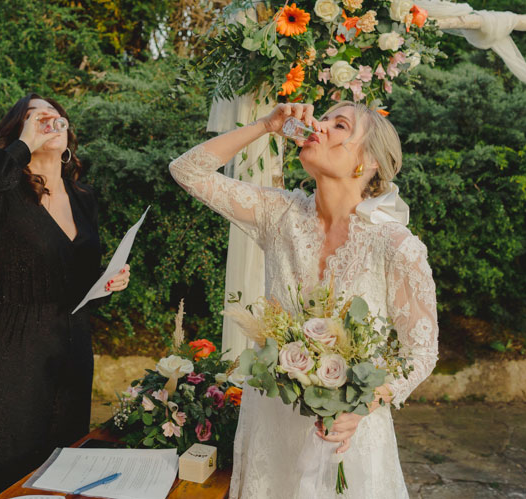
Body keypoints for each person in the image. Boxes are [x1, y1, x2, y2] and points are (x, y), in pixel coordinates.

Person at [169, 101, 438, 498]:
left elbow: (421, 352)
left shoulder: (395, 245)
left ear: (368, 161)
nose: (322, 126)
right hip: (273, 426)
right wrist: (266, 125)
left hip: (348, 434)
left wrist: (363, 406)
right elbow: (186, 170)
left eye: (340, 124)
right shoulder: (279, 214)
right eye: (324, 117)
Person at [0, 93, 131, 498]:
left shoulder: (83, 197)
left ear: (69, 131)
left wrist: (107, 283)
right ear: (19, 132)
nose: (49, 121)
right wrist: (24, 146)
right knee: (9, 471)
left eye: (56, 116)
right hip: (11, 349)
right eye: (36, 118)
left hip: (71, 346)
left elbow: (78, 279)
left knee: (63, 469)